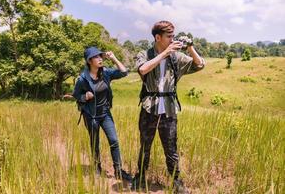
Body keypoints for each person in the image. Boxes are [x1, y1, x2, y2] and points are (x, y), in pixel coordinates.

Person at [131, 21, 206, 193]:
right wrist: (165, 53)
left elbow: (200, 64)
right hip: (149, 108)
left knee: (171, 148)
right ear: (158, 37)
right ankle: (140, 177)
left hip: (169, 109)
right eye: (169, 36)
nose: (173, 39)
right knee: (145, 146)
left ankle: (175, 181)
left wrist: (190, 48)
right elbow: (143, 69)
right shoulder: (145, 53)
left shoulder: (176, 57)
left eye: (173, 36)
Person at [73, 46, 132, 181]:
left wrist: (114, 58)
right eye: (96, 57)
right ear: (89, 61)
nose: (100, 59)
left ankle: (118, 170)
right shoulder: (83, 79)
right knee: (95, 143)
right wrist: (84, 97)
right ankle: (97, 168)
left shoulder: (105, 73)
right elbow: (76, 95)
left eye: (101, 56)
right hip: (91, 115)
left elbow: (124, 72)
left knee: (114, 141)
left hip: (105, 114)